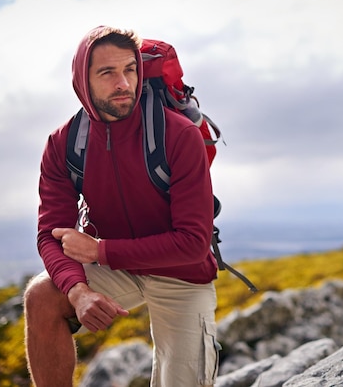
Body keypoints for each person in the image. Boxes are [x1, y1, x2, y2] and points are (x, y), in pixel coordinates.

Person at [23, 26, 219, 387]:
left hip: (181, 271)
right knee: (43, 295)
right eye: (107, 73)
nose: (123, 83)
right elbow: (50, 235)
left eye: (130, 70)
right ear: (83, 81)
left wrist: (100, 250)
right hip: (113, 266)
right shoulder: (65, 144)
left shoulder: (178, 135)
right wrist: (78, 292)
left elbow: (193, 242)